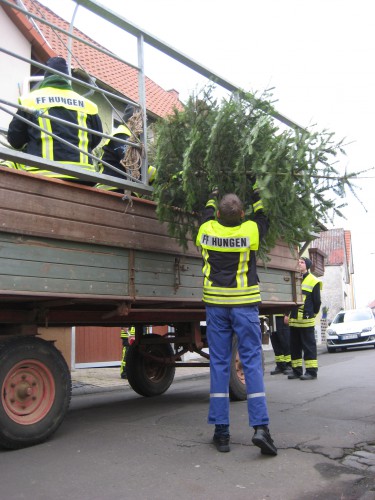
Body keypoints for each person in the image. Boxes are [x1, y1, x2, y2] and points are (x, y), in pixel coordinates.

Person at [196, 184, 277, 457]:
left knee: (219, 364)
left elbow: (204, 213)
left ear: (218, 214)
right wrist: (255, 189)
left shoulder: (206, 230)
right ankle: (261, 429)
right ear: (242, 214)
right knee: (251, 362)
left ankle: (222, 433)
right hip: (244, 306)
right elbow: (264, 217)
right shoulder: (250, 230)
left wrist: (211, 191)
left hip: (217, 307)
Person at [7, 56, 103, 183]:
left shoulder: (30, 100)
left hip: (43, 173)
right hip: (83, 176)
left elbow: (15, 140)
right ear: (67, 79)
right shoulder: (88, 105)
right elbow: (96, 138)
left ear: (46, 77)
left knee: (7, 162)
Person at [96, 104, 156, 192]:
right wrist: (159, 176)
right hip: (112, 190)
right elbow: (132, 161)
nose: (142, 127)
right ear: (131, 120)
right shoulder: (121, 135)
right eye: (140, 122)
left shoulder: (129, 138)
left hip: (123, 190)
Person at [286, 257, 322, 380]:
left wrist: (312, 313)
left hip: (306, 320)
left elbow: (317, 302)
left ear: (307, 266)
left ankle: (311, 372)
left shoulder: (313, 280)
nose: (299, 264)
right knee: (294, 347)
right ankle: (296, 371)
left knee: (308, 347)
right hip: (294, 320)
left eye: (302, 262)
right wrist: (287, 315)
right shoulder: (293, 278)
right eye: (298, 262)